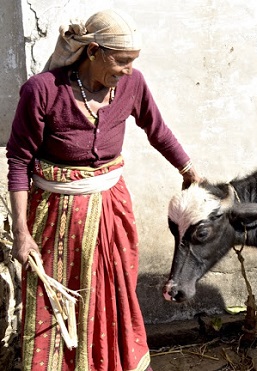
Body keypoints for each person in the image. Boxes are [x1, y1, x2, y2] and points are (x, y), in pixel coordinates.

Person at [6, 9, 200, 371]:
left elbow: (156, 129)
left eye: (132, 63)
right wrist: (21, 232)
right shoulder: (43, 91)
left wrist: (188, 170)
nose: (128, 70)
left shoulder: (132, 84)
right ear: (93, 51)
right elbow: (19, 161)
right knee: (57, 299)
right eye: (122, 61)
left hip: (112, 210)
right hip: (55, 219)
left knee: (112, 293)